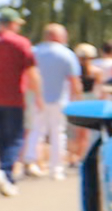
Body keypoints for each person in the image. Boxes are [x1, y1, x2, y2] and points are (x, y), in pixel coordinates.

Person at [28, 22, 82, 179]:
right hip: (59, 100)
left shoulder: (34, 52)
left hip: (36, 98)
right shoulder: (66, 54)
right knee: (58, 133)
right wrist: (77, 99)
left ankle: (31, 162)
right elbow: (74, 80)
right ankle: (56, 169)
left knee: (36, 131)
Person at [0, 10, 34, 196]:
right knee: (13, 140)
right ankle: (5, 174)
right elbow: (31, 72)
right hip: (13, 99)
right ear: (11, 23)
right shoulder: (19, 43)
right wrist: (39, 97)